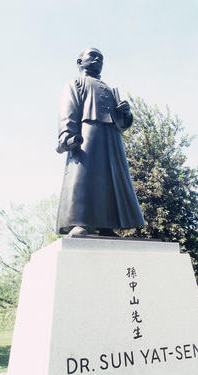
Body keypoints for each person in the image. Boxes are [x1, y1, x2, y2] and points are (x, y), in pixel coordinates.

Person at [56, 48, 145, 237]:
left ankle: (108, 225)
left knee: (110, 179)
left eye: (101, 58)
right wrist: (67, 134)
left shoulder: (109, 89)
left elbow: (122, 124)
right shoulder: (77, 83)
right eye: (92, 56)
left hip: (111, 136)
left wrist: (125, 113)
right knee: (84, 177)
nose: (98, 59)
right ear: (80, 62)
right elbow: (68, 108)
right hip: (88, 133)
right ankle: (80, 223)